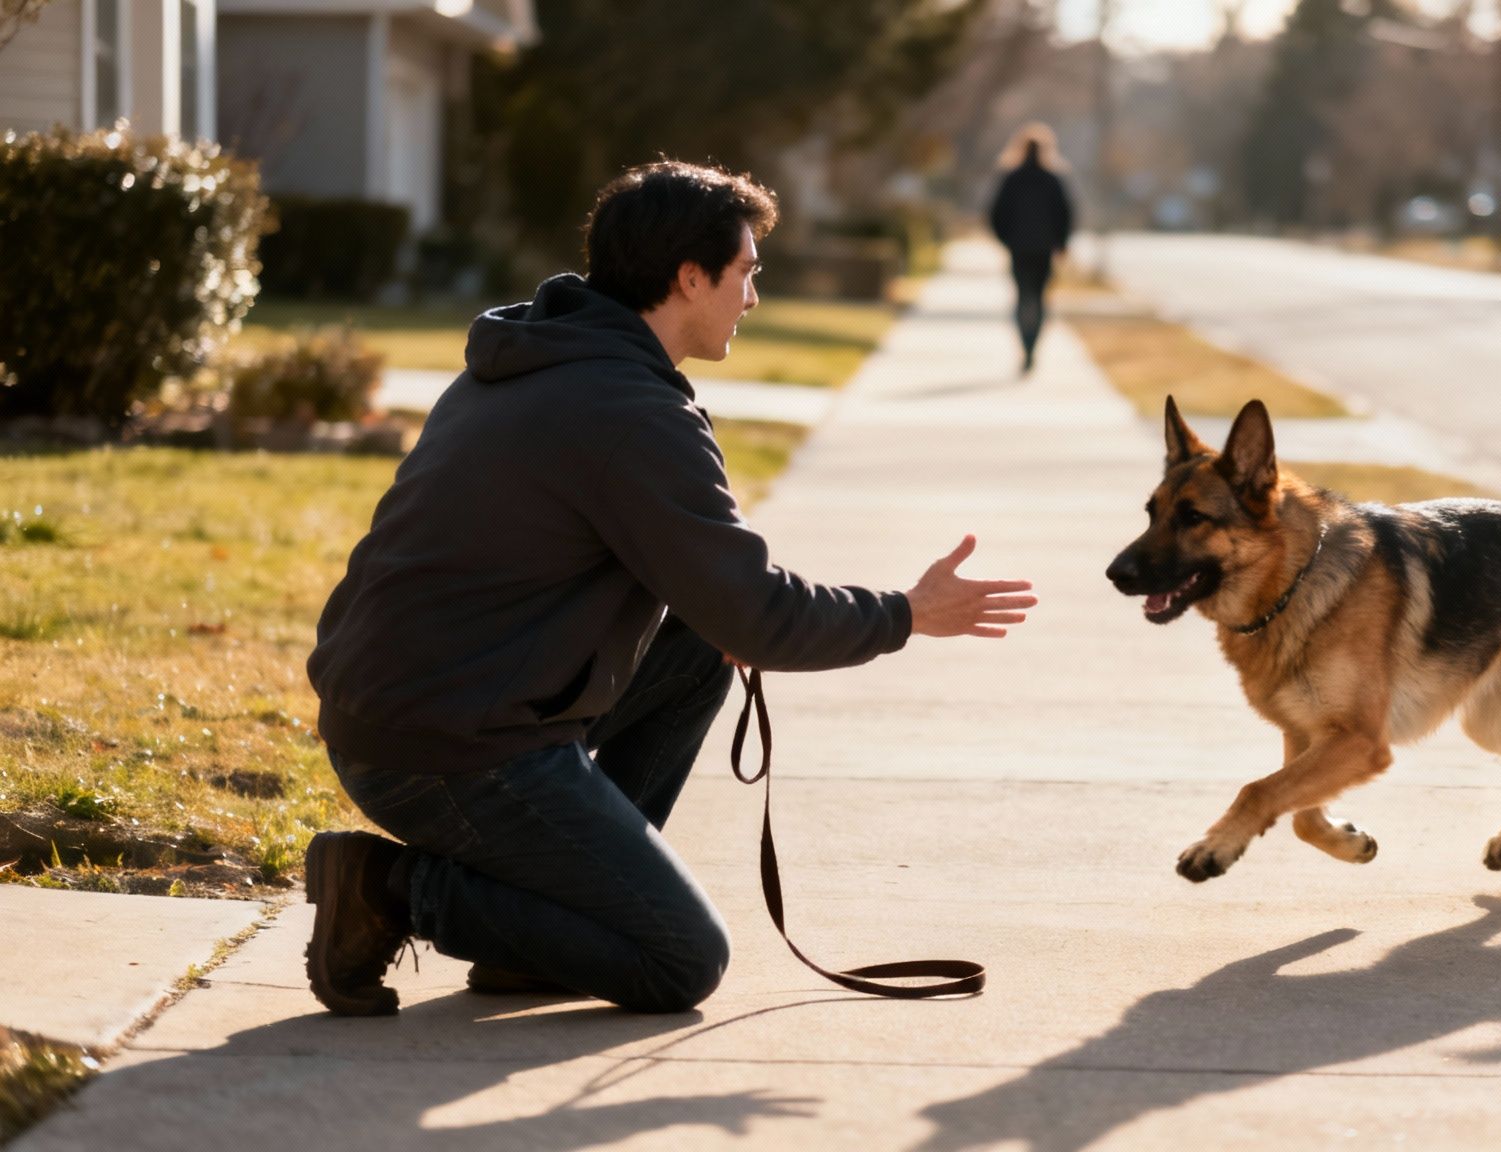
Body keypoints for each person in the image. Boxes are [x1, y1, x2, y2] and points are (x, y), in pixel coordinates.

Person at [301, 160, 1036, 1017]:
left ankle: (543, 937)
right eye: (747, 272)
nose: (754, 296)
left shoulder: (538, 358)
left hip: (408, 705)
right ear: (690, 278)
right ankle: (391, 886)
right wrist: (908, 614)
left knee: (696, 649)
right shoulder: (628, 410)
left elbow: (723, 605)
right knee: (679, 959)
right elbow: (760, 615)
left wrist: (729, 610)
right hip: (446, 748)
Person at [988, 123, 1074, 375]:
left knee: (1024, 296)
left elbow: (996, 215)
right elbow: (1065, 215)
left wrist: (1008, 240)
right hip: (1043, 249)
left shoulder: (1012, 179)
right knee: (1038, 298)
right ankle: (1032, 346)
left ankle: (1026, 345)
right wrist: (1061, 243)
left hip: (1020, 248)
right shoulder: (1053, 179)